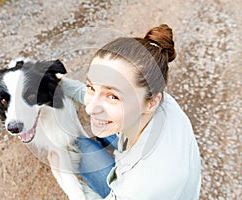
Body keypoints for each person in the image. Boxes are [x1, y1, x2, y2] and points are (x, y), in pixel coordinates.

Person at [53, 24, 201, 199]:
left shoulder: (142, 188)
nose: (90, 108)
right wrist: (59, 83)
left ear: (152, 102)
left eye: (113, 97)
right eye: (91, 87)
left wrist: (65, 178)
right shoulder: (159, 101)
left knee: (74, 148)